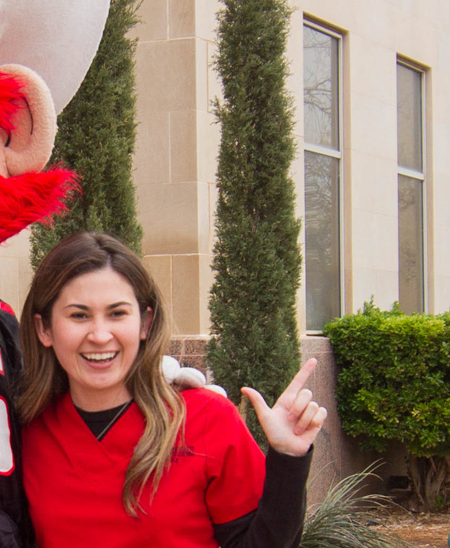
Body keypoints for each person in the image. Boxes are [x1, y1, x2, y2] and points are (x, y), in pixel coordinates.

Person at [18, 232, 327, 548]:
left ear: (145, 323)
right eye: (79, 315)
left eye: (117, 313)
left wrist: (288, 458)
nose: (99, 335)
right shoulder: (26, 434)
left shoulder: (207, 418)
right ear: (44, 328)